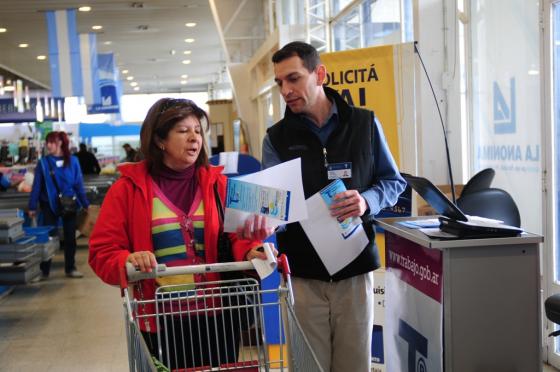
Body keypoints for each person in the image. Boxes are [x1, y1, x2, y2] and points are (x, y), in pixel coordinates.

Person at [88, 98, 273, 370]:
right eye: (183, 131)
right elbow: (102, 252)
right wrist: (128, 260)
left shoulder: (217, 184)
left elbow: (236, 236)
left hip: (219, 315)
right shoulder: (128, 190)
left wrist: (251, 250)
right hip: (161, 321)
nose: (194, 138)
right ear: (160, 140)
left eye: (198, 131)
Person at [262, 41, 406, 372]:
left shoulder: (365, 125)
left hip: (354, 272)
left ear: (320, 74)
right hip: (302, 275)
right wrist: (265, 222)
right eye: (280, 83)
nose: (286, 90)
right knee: (308, 366)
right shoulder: (276, 139)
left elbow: (393, 183)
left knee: (354, 365)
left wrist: (365, 201)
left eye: (294, 78)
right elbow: (274, 209)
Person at [28, 131, 90, 279]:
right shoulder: (43, 163)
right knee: (48, 238)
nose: (48, 145)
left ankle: (70, 268)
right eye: (47, 142)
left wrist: (86, 204)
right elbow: (36, 186)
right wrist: (32, 206)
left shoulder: (73, 161)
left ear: (61, 143)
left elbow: (78, 185)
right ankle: (44, 271)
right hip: (48, 205)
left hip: (69, 204)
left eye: (52, 142)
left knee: (70, 238)